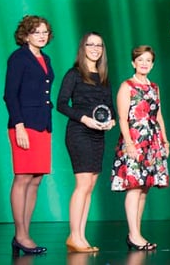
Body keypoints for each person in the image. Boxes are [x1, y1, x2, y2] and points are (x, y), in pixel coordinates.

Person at [57, 32, 116, 253]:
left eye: (99, 45)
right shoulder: (74, 74)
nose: (95, 48)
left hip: (98, 134)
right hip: (79, 132)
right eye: (90, 44)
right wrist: (84, 119)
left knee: (90, 186)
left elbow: (110, 107)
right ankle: (74, 235)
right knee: (82, 185)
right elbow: (61, 104)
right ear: (83, 48)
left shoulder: (104, 77)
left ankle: (80, 236)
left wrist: (111, 122)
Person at [111, 45, 170, 251]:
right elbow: (122, 118)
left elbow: (158, 115)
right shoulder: (126, 86)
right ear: (133, 63)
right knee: (134, 186)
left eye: (148, 60)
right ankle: (134, 234)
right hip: (134, 139)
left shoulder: (154, 87)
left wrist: (164, 140)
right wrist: (129, 144)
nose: (144, 63)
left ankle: (136, 233)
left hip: (152, 141)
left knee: (144, 188)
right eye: (140, 60)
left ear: (152, 64)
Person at [4, 15, 54, 256]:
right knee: (23, 177)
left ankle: (25, 233)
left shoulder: (46, 58)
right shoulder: (19, 58)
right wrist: (19, 125)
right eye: (36, 32)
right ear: (25, 35)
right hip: (24, 125)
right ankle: (20, 234)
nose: (42, 35)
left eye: (45, 32)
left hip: (43, 124)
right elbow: (10, 95)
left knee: (36, 179)